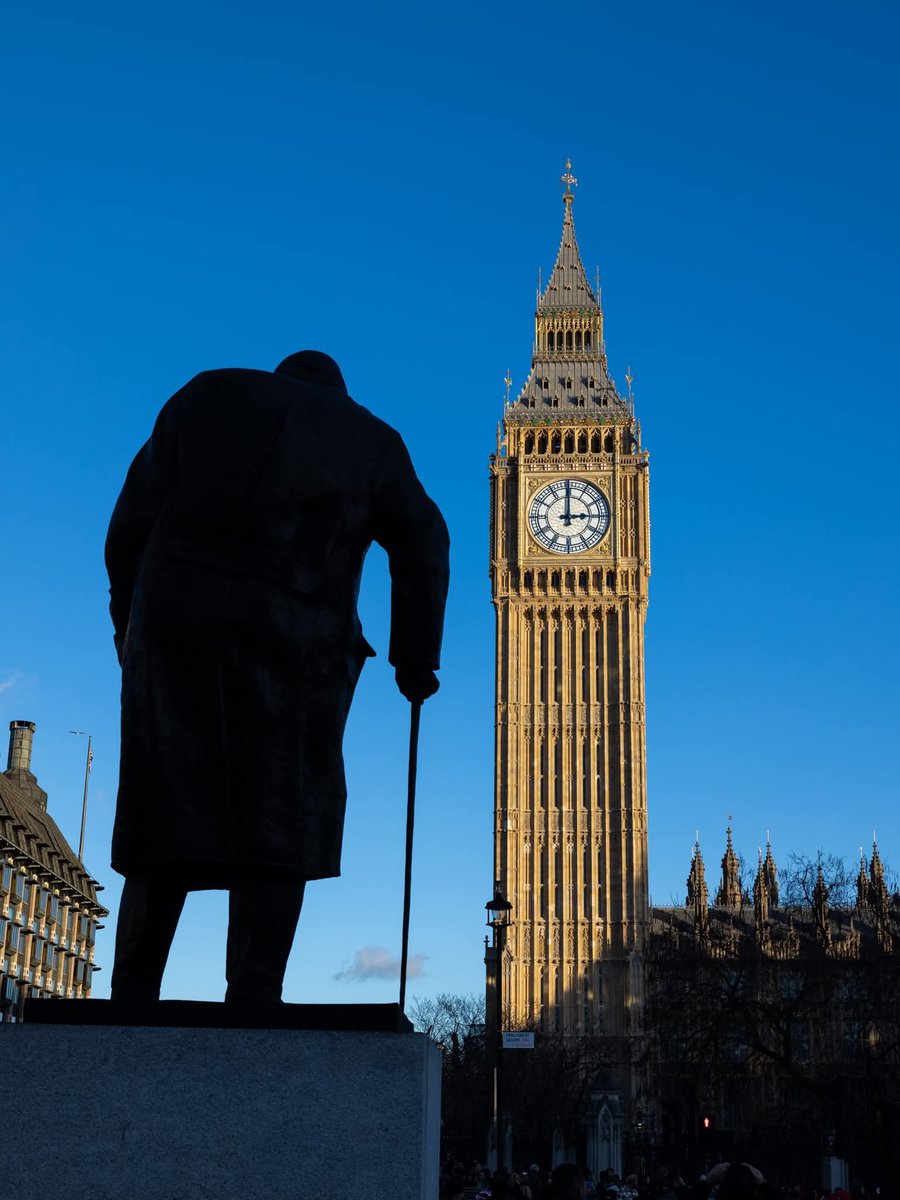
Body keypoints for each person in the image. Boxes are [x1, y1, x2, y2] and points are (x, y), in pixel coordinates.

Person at [106, 350, 449, 1003]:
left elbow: (127, 523)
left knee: (165, 809)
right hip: (293, 644)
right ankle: (255, 991)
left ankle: (132, 990)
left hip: (175, 629)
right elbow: (425, 541)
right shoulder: (371, 439)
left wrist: (129, 619)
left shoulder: (200, 396)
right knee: (281, 812)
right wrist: (415, 656)